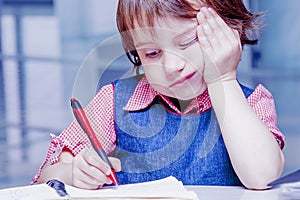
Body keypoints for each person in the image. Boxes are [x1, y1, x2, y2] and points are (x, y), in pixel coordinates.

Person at [32, 0, 285, 190]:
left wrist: (222, 78)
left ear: (231, 30)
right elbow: (46, 176)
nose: (173, 65)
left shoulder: (253, 103)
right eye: (152, 54)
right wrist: (73, 173)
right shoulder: (114, 101)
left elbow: (262, 177)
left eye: (188, 42)